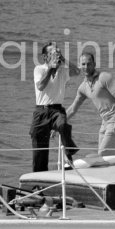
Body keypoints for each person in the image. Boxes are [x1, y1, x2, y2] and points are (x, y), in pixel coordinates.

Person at [29, 41, 80, 172]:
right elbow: (40, 86)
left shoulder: (62, 71)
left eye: (58, 52)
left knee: (63, 124)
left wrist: (64, 59)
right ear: (45, 57)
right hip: (41, 110)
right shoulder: (39, 69)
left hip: (57, 109)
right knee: (39, 149)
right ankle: (38, 182)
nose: (56, 55)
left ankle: (68, 156)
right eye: (52, 53)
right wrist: (51, 68)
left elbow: (77, 71)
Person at [66, 52, 115, 156]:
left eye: (89, 64)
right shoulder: (83, 87)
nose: (86, 67)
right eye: (83, 64)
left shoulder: (104, 77)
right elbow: (73, 109)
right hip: (104, 122)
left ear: (94, 64)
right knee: (106, 156)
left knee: (103, 154)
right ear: (79, 66)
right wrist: (58, 125)